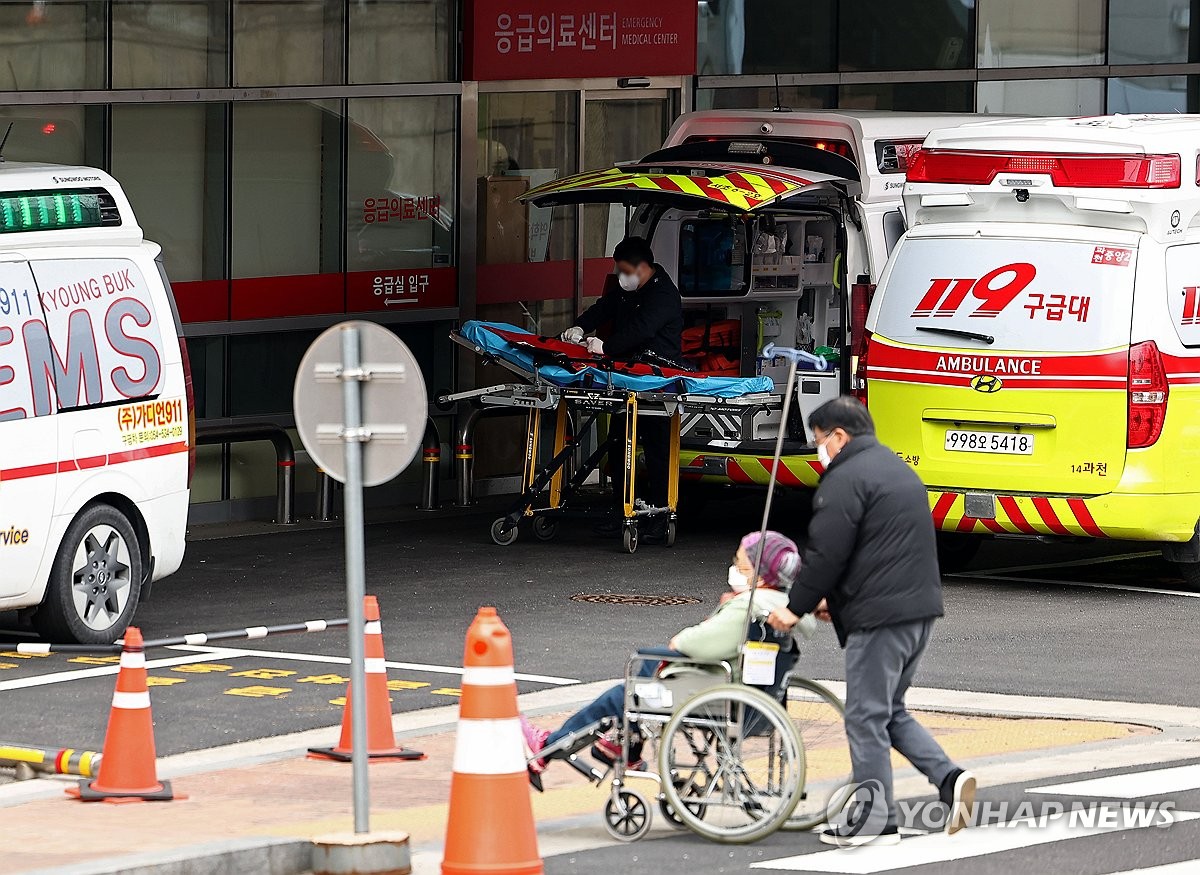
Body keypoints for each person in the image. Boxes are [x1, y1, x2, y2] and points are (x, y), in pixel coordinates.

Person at [766, 397, 975, 847]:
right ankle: (949, 778)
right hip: (918, 610)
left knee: (864, 717)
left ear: (839, 437)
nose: (817, 451)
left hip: (880, 619)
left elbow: (827, 555)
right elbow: (877, 552)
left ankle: (875, 818)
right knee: (888, 711)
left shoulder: (845, 480)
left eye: (819, 441)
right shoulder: (898, 470)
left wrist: (794, 607)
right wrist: (833, 602)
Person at [522, 531, 813, 771]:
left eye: (741, 565)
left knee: (626, 689)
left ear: (761, 576)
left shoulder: (747, 607)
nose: (734, 569)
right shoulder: (780, 605)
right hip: (744, 693)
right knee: (644, 680)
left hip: (708, 692)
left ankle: (549, 748)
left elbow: (692, 643)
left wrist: (710, 620)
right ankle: (625, 746)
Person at [560, 236, 683, 538]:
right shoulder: (626, 290)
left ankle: (658, 516)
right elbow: (605, 308)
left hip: (657, 379)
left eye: (623, 270)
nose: (620, 276)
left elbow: (642, 329)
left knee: (656, 449)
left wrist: (606, 346)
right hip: (625, 377)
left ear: (642, 268)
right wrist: (580, 325)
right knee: (618, 444)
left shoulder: (664, 295)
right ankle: (622, 507)